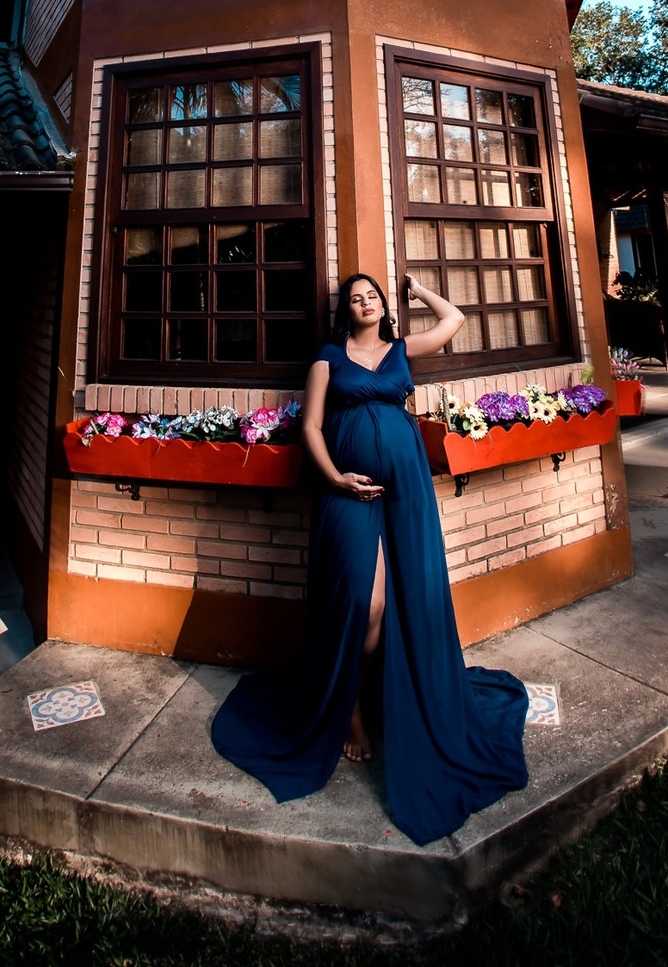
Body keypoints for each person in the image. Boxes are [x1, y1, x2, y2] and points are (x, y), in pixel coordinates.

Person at [210, 271, 530, 846]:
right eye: (355, 298)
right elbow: (310, 426)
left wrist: (416, 289)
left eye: (373, 296)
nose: (364, 302)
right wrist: (334, 478)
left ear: (384, 305)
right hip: (346, 491)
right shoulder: (328, 359)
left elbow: (455, 321)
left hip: (405, 489)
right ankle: (351, 713)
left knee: (411, 595)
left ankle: (398, 703)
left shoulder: (402, 348)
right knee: (366, 602)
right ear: (345, 310)